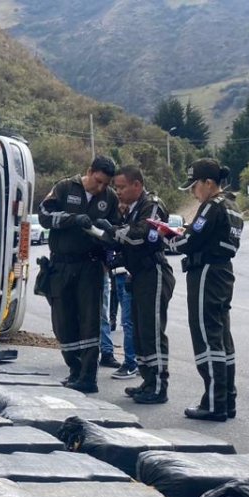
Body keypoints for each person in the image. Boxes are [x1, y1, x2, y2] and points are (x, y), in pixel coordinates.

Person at [38, 156, 120, 393]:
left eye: (106, 184)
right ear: (89, 171)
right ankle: (74, 369)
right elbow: (44, 216)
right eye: (98, 182)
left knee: (89, 322)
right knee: (63, 322)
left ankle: (88, 377)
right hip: (62, 265)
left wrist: (109, 229)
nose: (101, 188)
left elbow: (116, 231)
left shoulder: (109, 198)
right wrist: (71, 220)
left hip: (90, 266)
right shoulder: (64, 188)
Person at [173, 159, 242, 421]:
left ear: (209, 183)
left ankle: (213, 403)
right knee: (222, 336)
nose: (193, 192)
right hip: (222, 272)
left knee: (207, 335)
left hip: (206, 273)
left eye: (195, 186)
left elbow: (192, 240)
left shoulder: (212, 205)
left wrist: (174, 237)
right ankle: (227, 399)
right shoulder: (232, 205)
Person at [101, 165, 173, 403]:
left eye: (121, 187)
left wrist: (115, 231)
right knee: (141, 332)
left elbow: (143, 236)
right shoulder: (131, 210)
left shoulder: (151, 205)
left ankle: (159, 387)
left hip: (154, 271)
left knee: (152, 331)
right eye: (116, 187)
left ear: (137, 185)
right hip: (138, 274)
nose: (117, 191)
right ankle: (147, 380)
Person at [98, 266, 137, 378]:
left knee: (128, 321)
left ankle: (131, 363)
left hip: (127, 272)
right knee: (128, 321)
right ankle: (136, 362)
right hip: (118, 273)